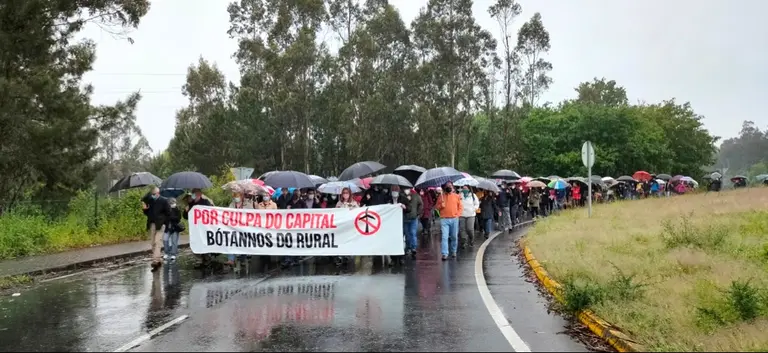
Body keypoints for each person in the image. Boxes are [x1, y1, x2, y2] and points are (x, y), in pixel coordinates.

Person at [142, 186, 171, 271]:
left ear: (158, 193)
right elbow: (148, 213)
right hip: (152, 224)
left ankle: (155, 261)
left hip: (161, 225)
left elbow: (168, 212)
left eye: (154, 194)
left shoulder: (164, 201)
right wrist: (145, 210)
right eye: (152, 194)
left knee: (157, 241)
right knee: (152, 243)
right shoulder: (150, 201)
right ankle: (158, 260)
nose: (153, 195)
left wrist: (165, 223)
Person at [183, 188, 213, 267]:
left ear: (199, 194)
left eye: (195, 194)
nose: (193, 196)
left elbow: (211, 212)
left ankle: (207, 258)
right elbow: (186, 217)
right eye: (192, 194)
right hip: (195, 228)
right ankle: (199, 259)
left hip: (204, 227)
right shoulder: (190, 204)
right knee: (196, 243)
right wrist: (185, 211)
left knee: (204, 242)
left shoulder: (205, 202)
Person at [436, 182, 463, 260]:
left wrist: (457, 215)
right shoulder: (441, 197)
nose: (449, 187)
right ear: (445, 187)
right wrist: (441, 205)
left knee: (454, 236)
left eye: (450, 186)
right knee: (444, 237)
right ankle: (445, 253)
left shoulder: (456, 196)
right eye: (447, 186)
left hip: (454, 219)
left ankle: (454, 250)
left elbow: (460, 207)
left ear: (452, 187)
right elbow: (437, 207)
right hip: (444, 219)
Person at [398, 187, 423, 256]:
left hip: (413, 218)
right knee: (407, 234)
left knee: (413, 233)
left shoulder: (416, 196)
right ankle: (408, 247)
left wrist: (418, 213)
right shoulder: (401, 197)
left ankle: (413, 248)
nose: (406, 190)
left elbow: (420, 204)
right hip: (405, 218)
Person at [163, 198, 183, 262]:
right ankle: (167, 252)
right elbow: (164, 218)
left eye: (173, 202)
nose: (172, 204)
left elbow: (179, 218)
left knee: (174, 241)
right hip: (167, 228)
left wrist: (171, 217)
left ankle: (173, 254)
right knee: (165, 239)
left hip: (175, 228)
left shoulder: (177, 209)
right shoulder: (166, 209)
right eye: (171, 203)